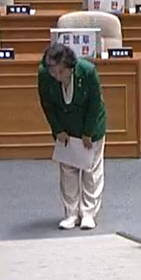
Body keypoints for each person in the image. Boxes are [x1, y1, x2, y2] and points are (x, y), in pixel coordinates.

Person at [38, 43, 107, 230]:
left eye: (61, 72)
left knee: (90, 170)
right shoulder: (44, 74)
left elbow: (95, 104)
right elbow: (47, 104)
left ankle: (88, 213)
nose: (57, 76)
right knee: (67, 170)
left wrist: (88, 133)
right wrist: (57, 129)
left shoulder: (87, 71)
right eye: (53, 72)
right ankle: (71, 213)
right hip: (66, 129)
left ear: (71, 67)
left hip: (90, 126)